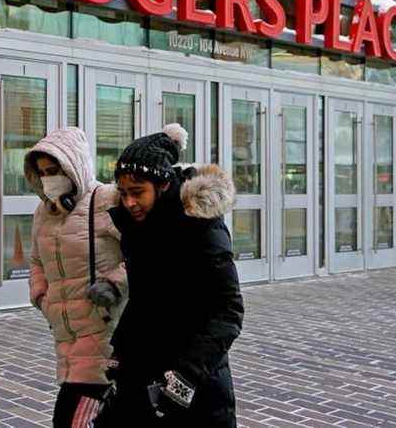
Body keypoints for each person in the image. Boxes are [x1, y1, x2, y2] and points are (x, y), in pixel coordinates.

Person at [106, 123, 244, 427]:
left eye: (138, 192)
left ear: (163, 185)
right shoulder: (136, 226)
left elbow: (228, 311)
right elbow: (143, 299)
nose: (129, 202)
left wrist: (186, 377)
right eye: (124, 193)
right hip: (142, 377)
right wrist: (119, 353)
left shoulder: (202, 225)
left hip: (197, 384)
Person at [24, 127, 127, 428]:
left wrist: (113, 283)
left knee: (73, 418)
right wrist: (41, 296)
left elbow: (145, 254)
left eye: (54, 170)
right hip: (65, 333)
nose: (48, 179)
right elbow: (36, 260)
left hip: (106, 331)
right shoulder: (44, 211)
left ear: (74, 166)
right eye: (42, 172)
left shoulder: (106, 200)